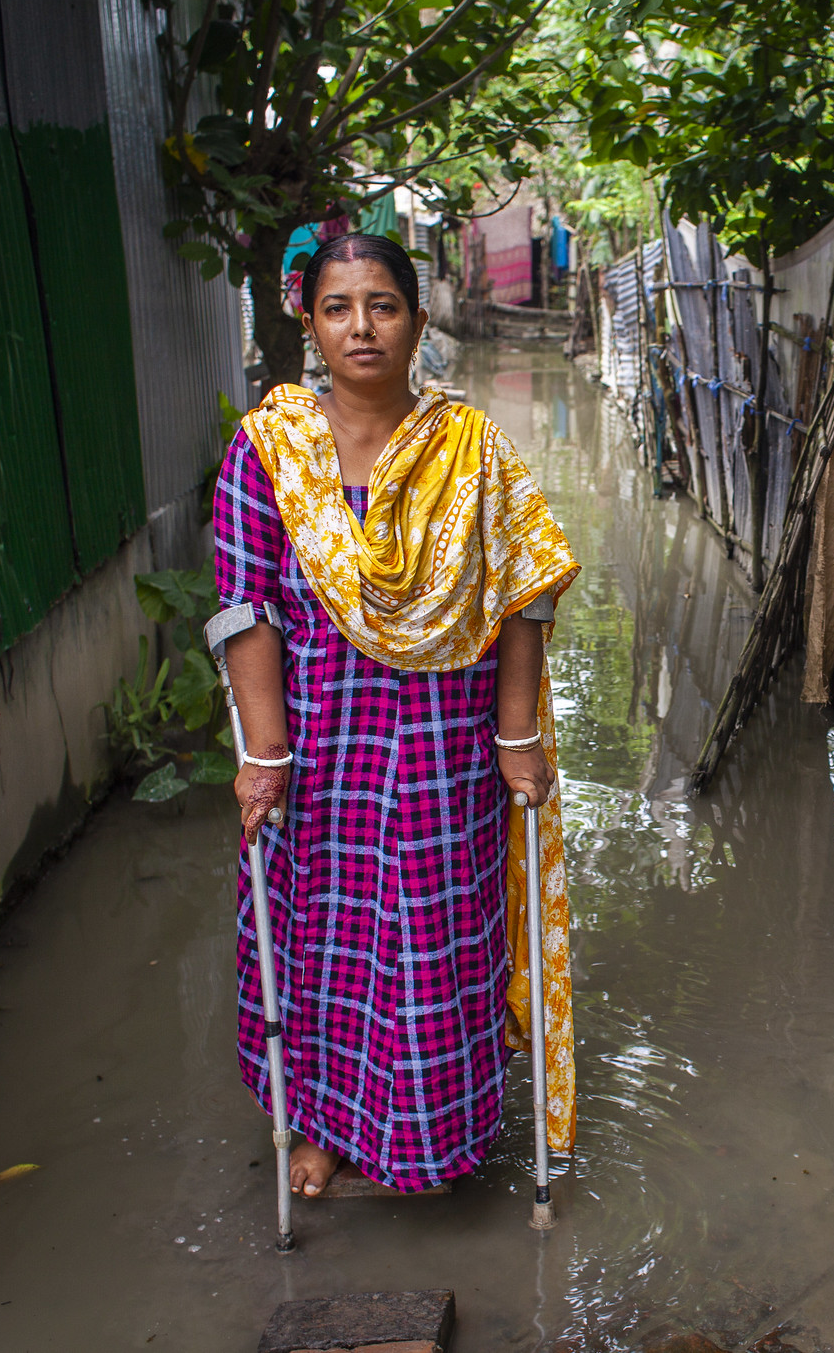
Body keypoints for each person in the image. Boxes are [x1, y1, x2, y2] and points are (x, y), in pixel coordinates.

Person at [213, 232, 578, 1197]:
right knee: (323, 945)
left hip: (442, 750)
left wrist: (519, 740)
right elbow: (245, 611)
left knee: (435, 944)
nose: (361, 326)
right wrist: (265, 754)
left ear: (418, 321)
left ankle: (436, 1141)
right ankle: (323, 1130)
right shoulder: (268, 452)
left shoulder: (473, 450)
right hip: (322, 749)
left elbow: (522, 595)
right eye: (338, 306)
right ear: (310, 320)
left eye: (382, 304)